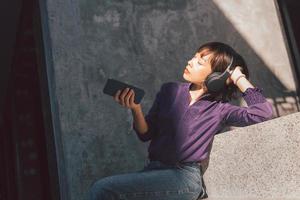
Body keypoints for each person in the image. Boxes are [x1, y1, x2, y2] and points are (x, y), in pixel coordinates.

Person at [89, 42, 273, 200]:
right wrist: (135, 109)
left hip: (183, 177)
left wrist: (238, 77)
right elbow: (146, 134)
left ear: (216, 77)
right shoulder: (170, 90)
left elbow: (262, 113)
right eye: (194, 57)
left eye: (200, 62)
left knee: (102, 189)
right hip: (154, 171)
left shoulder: (220, 109)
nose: (190, 62)